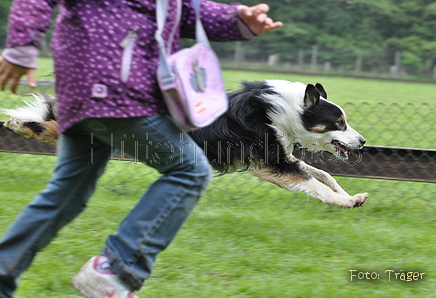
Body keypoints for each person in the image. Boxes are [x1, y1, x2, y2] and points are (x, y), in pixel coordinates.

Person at [0, 0, 282, 297]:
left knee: (66, 193)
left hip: (86, 91)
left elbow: (178, 9)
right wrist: (22, 47)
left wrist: (235, 18)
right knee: (189, 170)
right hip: (116, 90)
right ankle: (118, 268)